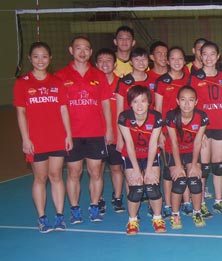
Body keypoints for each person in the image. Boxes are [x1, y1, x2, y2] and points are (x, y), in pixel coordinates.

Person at [15, 42, 72, 233]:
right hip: (36, 139)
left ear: (50, 59)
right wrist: (26, 138)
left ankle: (59, 216)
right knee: (40, 177)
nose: (41, 60)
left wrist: (68, 135)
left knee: (56, 175)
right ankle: (41, 217)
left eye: (45, 56)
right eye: (36, 56)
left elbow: (64, 110)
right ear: (30, 59)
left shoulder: (57, 82)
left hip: (57, 137)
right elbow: (21, 113)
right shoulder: (22, 83)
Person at [55, 36, 113, 224]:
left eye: (86, 48)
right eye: (78, 48)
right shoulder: (60, 76)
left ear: (90, 52)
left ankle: (94, 207)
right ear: (71, 50)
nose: (82, 52)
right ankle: (75, 209)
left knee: (96, 172)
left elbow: (105, 104)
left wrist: (109, 129)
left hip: (96, 132)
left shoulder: (99, 75)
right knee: (74, 172)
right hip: (73, 134)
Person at [188, 41, 222, 219]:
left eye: (213, 53)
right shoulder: (195, 77)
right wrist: (198, 130)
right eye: (205, 53)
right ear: (200, 55)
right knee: (204, 167)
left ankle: (219, 201)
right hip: (203, 129)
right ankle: (202, 202)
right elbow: (191, 105)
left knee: (219, 166)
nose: (209, 57)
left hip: (220, 125)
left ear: (218, 56)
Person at [118, 85, 166, 235]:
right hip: (131, 155)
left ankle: (157, 218)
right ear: (130, 103)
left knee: (152, 187)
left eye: (143, 101)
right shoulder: (124, 117)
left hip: (150, 154)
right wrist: (137, 171)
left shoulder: (156, 117)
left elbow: (153, 143)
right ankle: (132, 221)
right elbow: (129, 144)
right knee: (136, 188)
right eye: (135, 101)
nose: (139, 105)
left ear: (149, 102)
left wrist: (150, 168)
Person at [166, 86, 209, 229]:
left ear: (196, 102)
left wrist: (195, 164)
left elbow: (197, 142)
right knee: (179, 181)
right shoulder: (172, 116)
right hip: (174, 151)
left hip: (191, 150)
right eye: (183, 100)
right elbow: (173, 142)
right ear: (177, 101)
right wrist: (178, 166)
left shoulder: (201, 116)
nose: (186, 104)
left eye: (191, 100)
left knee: (195, 180)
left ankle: (197, 212)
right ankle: (175, 214)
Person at [155, 46, 190, 217]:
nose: (177, 62)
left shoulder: (189, 79)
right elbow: (158, 108)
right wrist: (160, 133)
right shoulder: (162, 82)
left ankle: (185, 201)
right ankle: (168, 204)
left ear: (185, 61)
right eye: (173, 58)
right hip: (168, 132)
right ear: (168, 61)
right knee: (169, 170)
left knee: (184, 166)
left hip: (187, 132)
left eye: (180, 59)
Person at [95, 48, 125, 213]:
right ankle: (98, 199)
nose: (104, 63)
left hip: (116, 135)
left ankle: (118, 197)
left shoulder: (122, 83)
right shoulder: (92, 85)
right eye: (101, 60)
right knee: (97, 169)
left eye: (108, 60)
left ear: (114, 64)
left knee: (116, 168)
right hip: (96, 135)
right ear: (96, 64)